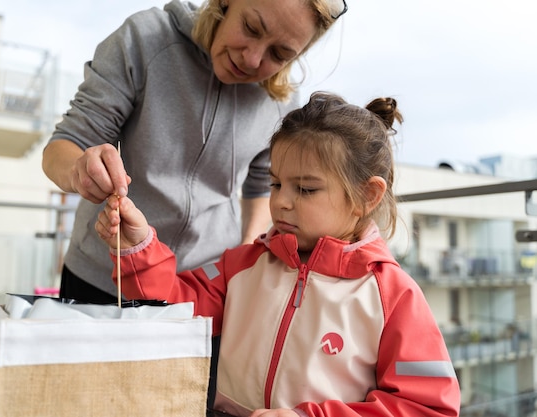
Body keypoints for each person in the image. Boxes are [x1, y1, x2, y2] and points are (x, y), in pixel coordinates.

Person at [96, 92, 461, 416]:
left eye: (304, 189)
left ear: (367, 196)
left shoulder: (395, 296)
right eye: (275, 183)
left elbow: (426, 407)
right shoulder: (241, 265)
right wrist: (138, 245)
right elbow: (174, 307)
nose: (281, 201)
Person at [42, 0, 347, 304]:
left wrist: (243, 260)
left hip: (201, 291)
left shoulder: (280, 105)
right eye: (251, 28)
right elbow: (64, 145)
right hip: (103, 278)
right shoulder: (145, 39)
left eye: (279, 54)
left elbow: (261, 189)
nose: (253, 59)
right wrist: (79, 170)